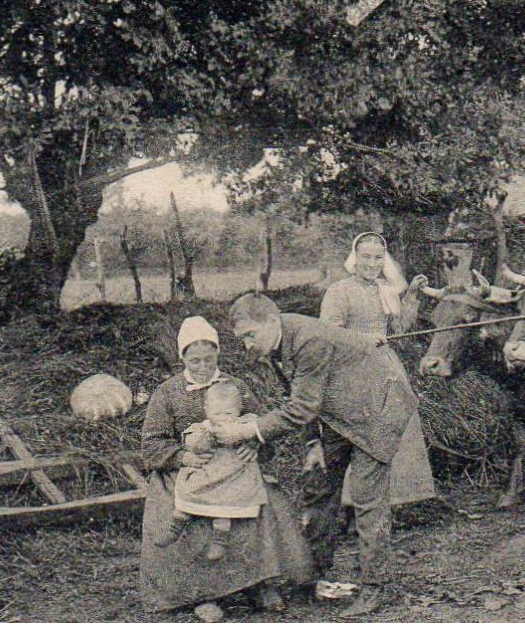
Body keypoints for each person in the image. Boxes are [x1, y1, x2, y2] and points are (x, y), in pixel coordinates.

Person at [229, 292, 419, 619]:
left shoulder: (307, 339)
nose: (247, 344)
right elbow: (297, 394)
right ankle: (311, 576)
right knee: (319, 487)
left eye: (250, 335)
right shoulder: (277, 343)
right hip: (341, 413)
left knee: (366, 498)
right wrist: (311, 444)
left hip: (378, 412)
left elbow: (302, 406)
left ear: (271, 321)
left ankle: (376, 586)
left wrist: (252, 430)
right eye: (241, 338)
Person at [139, 316, 314, 622]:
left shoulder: (236, 386)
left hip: (235, 467)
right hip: (193, 467)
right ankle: (203, 594)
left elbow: (262, 426)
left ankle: (256, 583)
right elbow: (151, 445)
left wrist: (254, 444)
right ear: (182, 358)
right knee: (183, 509)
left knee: (263, 499)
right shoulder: (168, 392)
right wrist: (183, 457)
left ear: (218, 355)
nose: (202, 366)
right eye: (194, 361)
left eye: (209, 359)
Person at [318, 232, 437, 507]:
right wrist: (361, 341)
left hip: (385, 365)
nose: (372, 264)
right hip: (350, 368)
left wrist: (412, 294)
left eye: (378, 258)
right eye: (366, 257)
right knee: (361, 430)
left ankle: (398, 499)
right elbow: (328, 334)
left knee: (397, 421)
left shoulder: (384, 288)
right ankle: (354, 502)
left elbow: (399, 328)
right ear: (354, 258)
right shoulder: (339, 291)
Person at [156, 380, 269, 561]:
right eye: (217, 413)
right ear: (207, 410)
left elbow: (261, 433)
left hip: (234, 473)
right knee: (190, 490)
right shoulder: (204, 426)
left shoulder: (245, 423)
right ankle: (175, 528)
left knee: (225, 501)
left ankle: (220, 541)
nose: (223, 417)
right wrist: (206, 438)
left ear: (239, 409)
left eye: (229, 412)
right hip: (208, 470)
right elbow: (192, 445)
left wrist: (249, 440)